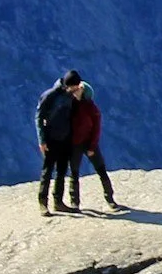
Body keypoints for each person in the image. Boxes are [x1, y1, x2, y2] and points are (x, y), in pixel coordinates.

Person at [67, 79, 121, 211]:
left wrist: (92, 147)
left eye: (79, 88)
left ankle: (110, 199)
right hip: (74, 144)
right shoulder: (70, 105)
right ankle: (75, 203)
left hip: (88, 143)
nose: (76, 90)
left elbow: (96, 129)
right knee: (74, 173)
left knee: (101, 170)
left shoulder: (92, 109)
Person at [36, 70, 81, 215]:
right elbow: (38, 117)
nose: (76, 89)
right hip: (51, 138)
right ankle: (43, 203)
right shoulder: (50, 95)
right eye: (75, 86)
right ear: (68, 85)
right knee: (47, 171)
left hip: (65, 138)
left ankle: (58, 202)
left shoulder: (71, 96)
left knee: (61, 171)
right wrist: (42, 140)